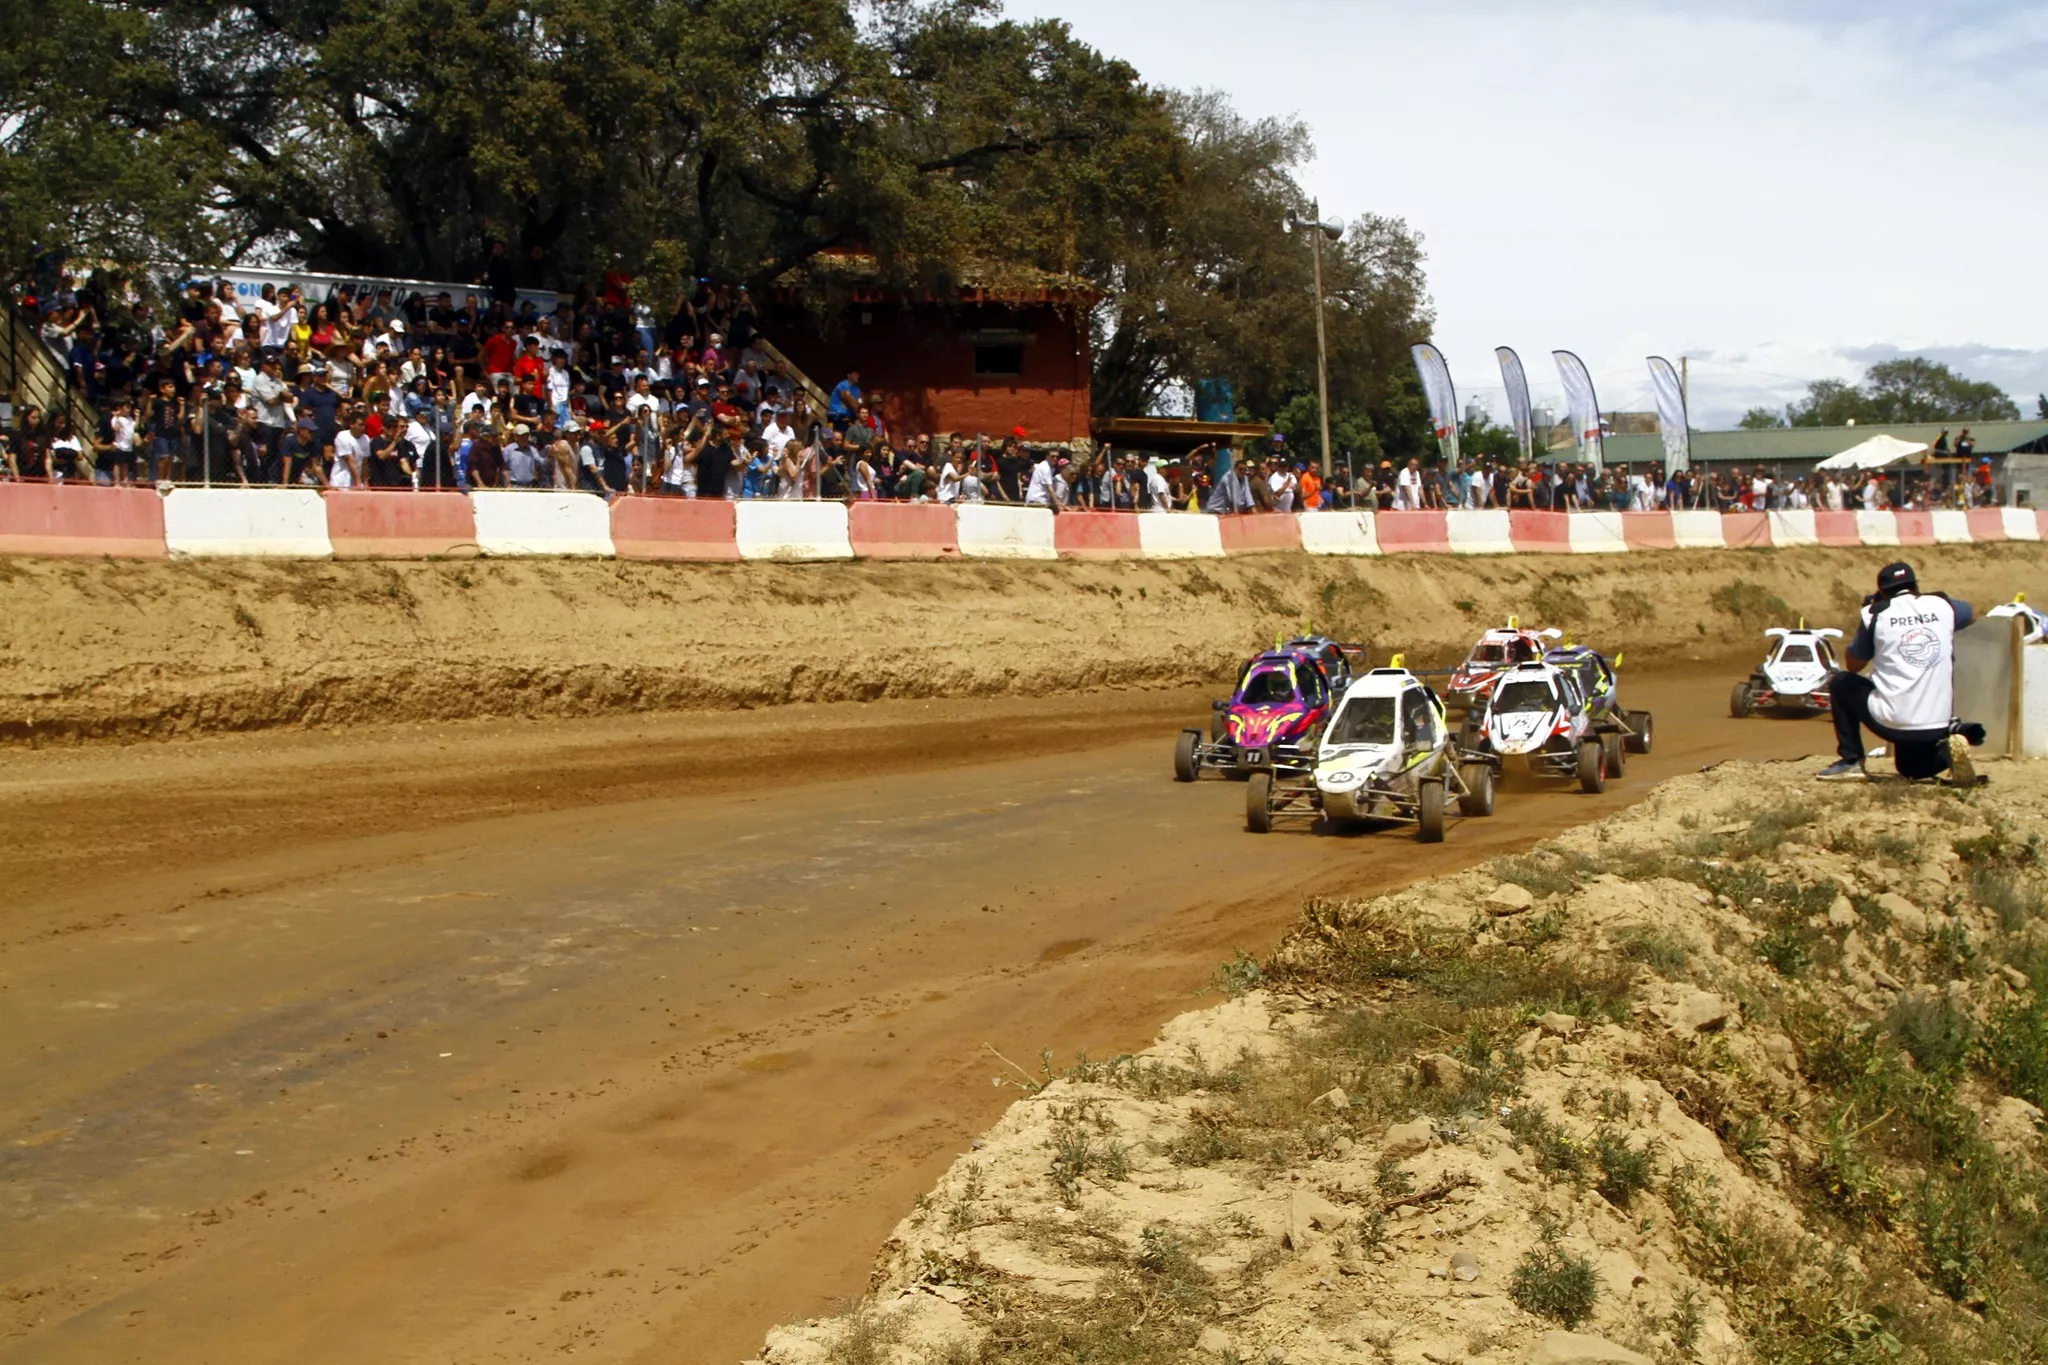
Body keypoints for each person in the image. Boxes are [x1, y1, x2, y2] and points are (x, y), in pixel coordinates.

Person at [1818, 561, 1986, 784]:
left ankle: (1851, 762)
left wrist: (1872, 615)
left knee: (1841, 682)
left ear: (1882, 591)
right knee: (1910, 768)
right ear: (1915, 585)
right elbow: (1971, 613)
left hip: (1893, 722)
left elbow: (1854, 665)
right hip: (1935, 724)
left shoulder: (1875, 614)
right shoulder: (1942, 605)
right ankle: (1953, 744)